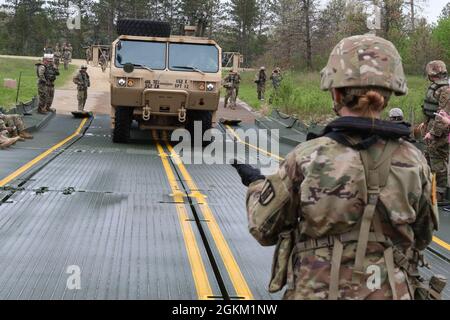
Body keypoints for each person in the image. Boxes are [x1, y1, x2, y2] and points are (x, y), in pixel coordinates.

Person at [233, 35, 440, 300]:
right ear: (388, 95)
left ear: (336, 91)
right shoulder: (416, 161)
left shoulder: (307, 157)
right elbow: (422, 238)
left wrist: (256, 185)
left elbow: (264, 229)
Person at [419, 60, 450, 202]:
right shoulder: (437, 88)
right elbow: (431, 109)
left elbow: (442, 114)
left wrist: (433, 132)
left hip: (440, 131)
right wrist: (425, 124)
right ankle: (430, 191)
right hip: (433, 127)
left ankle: (440, 195)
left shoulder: (446, 90)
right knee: (428, 159)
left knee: (438, 162)